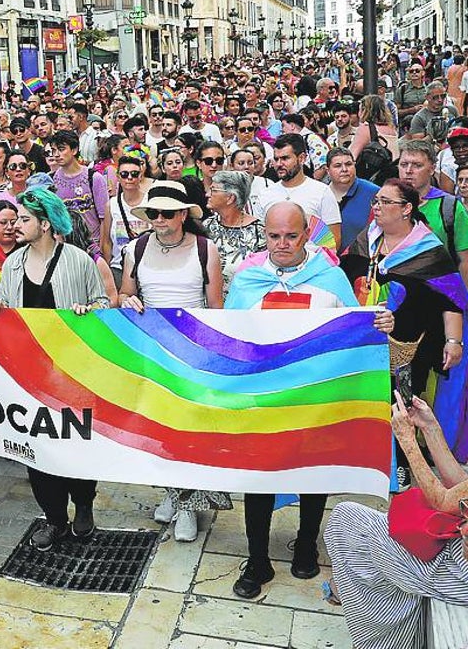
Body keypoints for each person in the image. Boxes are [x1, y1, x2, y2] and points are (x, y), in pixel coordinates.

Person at [225, 202, 393, 599]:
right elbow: (230, 337)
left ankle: (305, 543)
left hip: (317, 400)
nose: (282, 244)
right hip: (264, 402)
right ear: (263, 235)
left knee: (315, 474)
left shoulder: (330, 279)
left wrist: (381, 322)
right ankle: (257, 559)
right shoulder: (247, 280)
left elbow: (356, 329)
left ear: (306, 235)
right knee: (258, 480)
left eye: (291, 235)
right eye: (274, 236)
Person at [0, 190, 110, 550]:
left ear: (45, 223)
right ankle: (54, 517)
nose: (15, 225)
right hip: (31, 374)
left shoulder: (78, 260)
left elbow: (102, 303)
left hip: (75, 373)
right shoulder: (13, 264)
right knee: (37, 447)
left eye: (24, 219)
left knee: (78, 441)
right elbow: (8, 310)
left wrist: (90, 310)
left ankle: (83, 503)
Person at [118, 180, 226, 542]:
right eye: (153, 212)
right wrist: (126, 301)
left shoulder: (205, 249)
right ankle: (170, 493)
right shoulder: (136, 248)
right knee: (158, 430)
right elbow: (125, 294)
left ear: (183, 214)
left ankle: (190, 506)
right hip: (151, 352)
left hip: (193, 353)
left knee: (190, 432)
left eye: (166, 212)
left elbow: (216, 308)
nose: (159, 219)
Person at [325, 394, 468, 648]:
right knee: (365, 524)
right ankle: (344, 587)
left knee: (346, 521)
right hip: (451, 549)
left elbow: (443, 500)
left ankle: (377, 629)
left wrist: (406, 440)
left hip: (454, 572)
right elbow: (459, 492)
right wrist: (430, 427)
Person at [342, 179, 468, 467]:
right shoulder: (367, 239)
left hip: (413, 345)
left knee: (404, 402)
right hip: (370, 339)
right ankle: (369, 459)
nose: (377, 207)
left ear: (406, 209)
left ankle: (401, 464)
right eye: (376, 201)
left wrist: (454, 341)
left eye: (386, 202)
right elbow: (345, 274)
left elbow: (451, 299)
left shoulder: (428, 249)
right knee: (370, 399)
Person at [396, 138, 468, 286]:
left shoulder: (450, 207)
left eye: (417, 165)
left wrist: (463, 302)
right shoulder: (384, 203)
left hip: (441, 293)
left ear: (432, 168)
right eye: (403, 164)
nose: (408, 171)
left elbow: (464, 259)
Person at [256, 134, 342, 250]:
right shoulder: (266, 194)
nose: (279, 164)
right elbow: (260, 239)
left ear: (301, 158)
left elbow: (334, 240)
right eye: (276, 159)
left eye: (285, 158)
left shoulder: (322, 192)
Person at [203, 171, 265, 291]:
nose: (207, 194)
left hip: (242, 302)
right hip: (208, 305)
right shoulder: (207, 226)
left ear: (230, 198)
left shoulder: (259, 232)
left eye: (213, 190)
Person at [101, 155, 152, 285]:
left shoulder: (150, 202)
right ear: (118, 177)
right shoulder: (111, 205)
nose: (129, 178)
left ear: (141, 176)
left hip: (147, 265)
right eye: (124, 174)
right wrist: (107, 270)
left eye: (134, 174)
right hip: (119, 267)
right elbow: (106, 242)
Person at [328, 147, 381, 254]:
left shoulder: (374, 192)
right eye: (337, 166)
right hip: (325, 261)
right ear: (327, 170)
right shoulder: (320, 194)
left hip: (361, 259)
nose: (344, 169)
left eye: (348, 164)